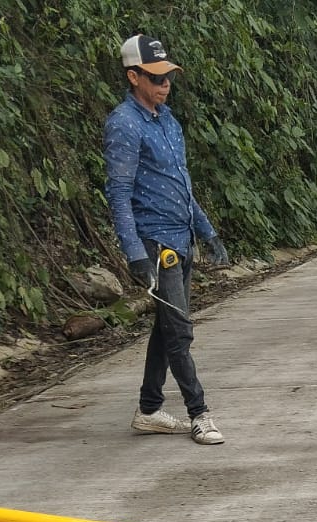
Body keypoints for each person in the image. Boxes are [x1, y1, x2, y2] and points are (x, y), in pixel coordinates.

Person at [104, 34, 229, 446]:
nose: (165, 83)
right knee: (179, 332)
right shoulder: (124, 124)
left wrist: (208, 232)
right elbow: (119, 194)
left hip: (183, 237)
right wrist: (135, 253)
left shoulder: (168, 121)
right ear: (133, 76)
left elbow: (182, 186)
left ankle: (149, 409)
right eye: (156, 78)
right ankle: (200, 412)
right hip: (157, 245)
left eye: (168, 76)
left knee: (165, 328)